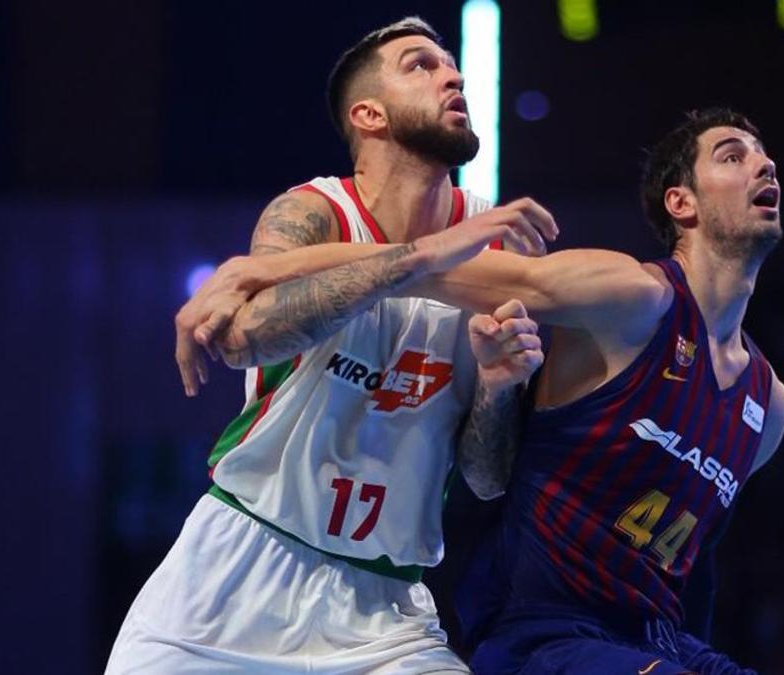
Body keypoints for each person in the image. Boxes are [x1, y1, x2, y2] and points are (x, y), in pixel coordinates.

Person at [185, 107, 784, 674]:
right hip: (543, 634)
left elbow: (696, 568)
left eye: (764, 157)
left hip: (655, 640)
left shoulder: (769, 406)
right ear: (680, 202)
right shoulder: (634, 298)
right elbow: (420, 270)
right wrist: (258, 268)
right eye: (733, 156)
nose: (764, 166)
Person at [107, 17, 557, 674]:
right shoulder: (312, 213)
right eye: (420, 66)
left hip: (386, 613)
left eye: (450, 65)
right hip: (233, 580)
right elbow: (245, 340)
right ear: (369, 114)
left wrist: (496, 383)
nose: (452, 76)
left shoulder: (491, 244)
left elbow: (488, 479)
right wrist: (424, 254)